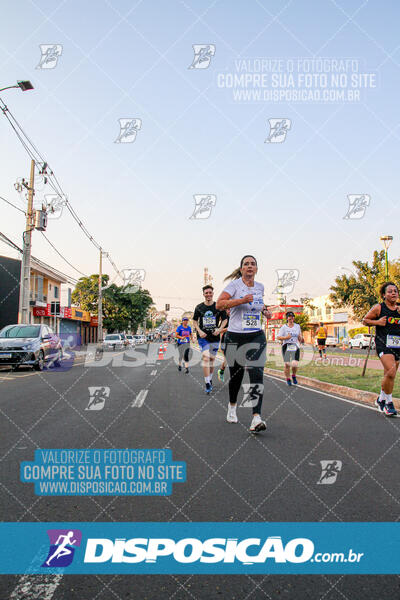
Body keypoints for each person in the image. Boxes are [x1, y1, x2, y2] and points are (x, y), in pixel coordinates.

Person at [216, 255, 272, 433]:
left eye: (253, 264)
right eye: (246, 264)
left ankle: (256, 417)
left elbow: (258, 304)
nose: (249, 266)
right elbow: (219, 304)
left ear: (256, 269)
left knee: (256, 372)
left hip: (256, 335)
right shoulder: (234, 286)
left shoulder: (260, 287)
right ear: (241, 269)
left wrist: (265, 310)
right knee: (237, 376)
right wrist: (240, 300)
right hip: (235, 336)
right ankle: (232, 406)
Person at [363, 281, 399, 417]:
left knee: (389, 375)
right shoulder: (379, 308)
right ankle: (389, 404)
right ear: (384, 295)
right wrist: (377, 322)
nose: (393, 293)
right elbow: (365, 320)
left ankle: (380, 399)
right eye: (390, 291)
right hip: (383, 343)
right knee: (391, 372)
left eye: (395, 291)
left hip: (397, 345)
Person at [193, 285, 227, 394]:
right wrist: (199, 331)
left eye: (210, 292)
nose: (208, 294)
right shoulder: (199, 307)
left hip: (215, 337)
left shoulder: (218, 306)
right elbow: (194, 321)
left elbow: (225, 320)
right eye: (206, 293)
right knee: (206, 358)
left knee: (212, 360)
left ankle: (210, 379)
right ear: (203, 294)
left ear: (213, 293)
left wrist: (219, 329)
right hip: (203, 337)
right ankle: (207, 383)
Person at [277, 311, 304, 385]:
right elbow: (278, 337)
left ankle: (294, 375)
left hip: (295, 345)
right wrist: (286, 337)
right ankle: (288, 379)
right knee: (287, 364)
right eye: (289, 317)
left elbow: (300, 336)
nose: (291, 318)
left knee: (295, 364)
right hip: (286, 346)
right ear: (287, 318)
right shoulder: (284, 327)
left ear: (294, 318)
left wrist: (300, 338)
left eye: (292, 317)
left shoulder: (297, 326)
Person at [218, 308, 230, 383]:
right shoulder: (224, 320)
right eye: (227, 310)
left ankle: (235, 379)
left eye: (230, 309)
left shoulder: (236, 317)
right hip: (224, 342)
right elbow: (219, 330)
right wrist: (227, 329)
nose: (229, 311)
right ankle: (221, 371)